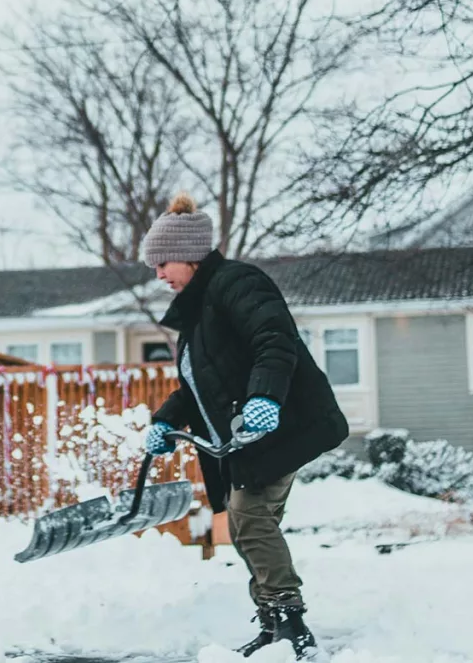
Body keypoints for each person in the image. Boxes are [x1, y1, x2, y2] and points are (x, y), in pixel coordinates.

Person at [138, 192, 349, 660]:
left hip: (282, 424)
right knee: (244, 520)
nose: (158, 275)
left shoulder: (237, 284)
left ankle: (290, 620)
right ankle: (275, 620)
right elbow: (197, 389)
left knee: (250, 516)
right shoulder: (198, 317)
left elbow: (274, 341)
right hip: (245, 438)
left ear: (191, 256)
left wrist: (264, 398)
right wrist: (164, 423)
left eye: (163, 263)